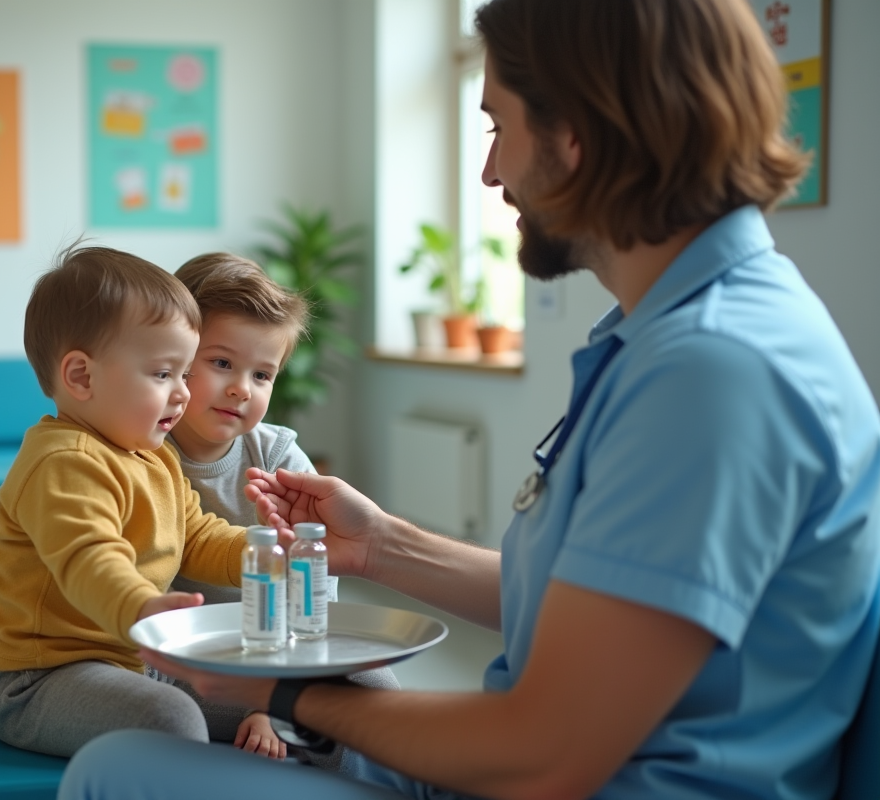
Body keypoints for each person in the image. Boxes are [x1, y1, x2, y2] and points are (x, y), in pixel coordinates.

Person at [59, 1, 880, 798]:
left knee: (115, 770)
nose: (490, 171)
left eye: (496, 127)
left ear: (576, 132)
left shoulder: (711, 375)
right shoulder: (683, 336)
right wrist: (381, 546)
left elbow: (546, 758)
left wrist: (280, 697)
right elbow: (591, 600)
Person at [0, 245, 282, 760]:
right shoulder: (63, 461)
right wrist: (141, 608)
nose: (182, 393)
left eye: (185, 373)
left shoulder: (150, 458)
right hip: (37, 679)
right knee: (169, 718)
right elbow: (89, 557)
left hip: (131, 666)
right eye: (163, 374)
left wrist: (268, 548)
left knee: (297, 699)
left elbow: (199, 537)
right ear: (81, 377)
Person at [166, 252, 401, 760]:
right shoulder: (141, 455)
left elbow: (313, 586)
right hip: (183, 663)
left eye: (263, 374)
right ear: (174, 352)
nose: (240, 388)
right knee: (165, 705)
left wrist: (278, 694)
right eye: (222, 362)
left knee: (378, 692)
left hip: (278, 651)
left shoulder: (275, 455)